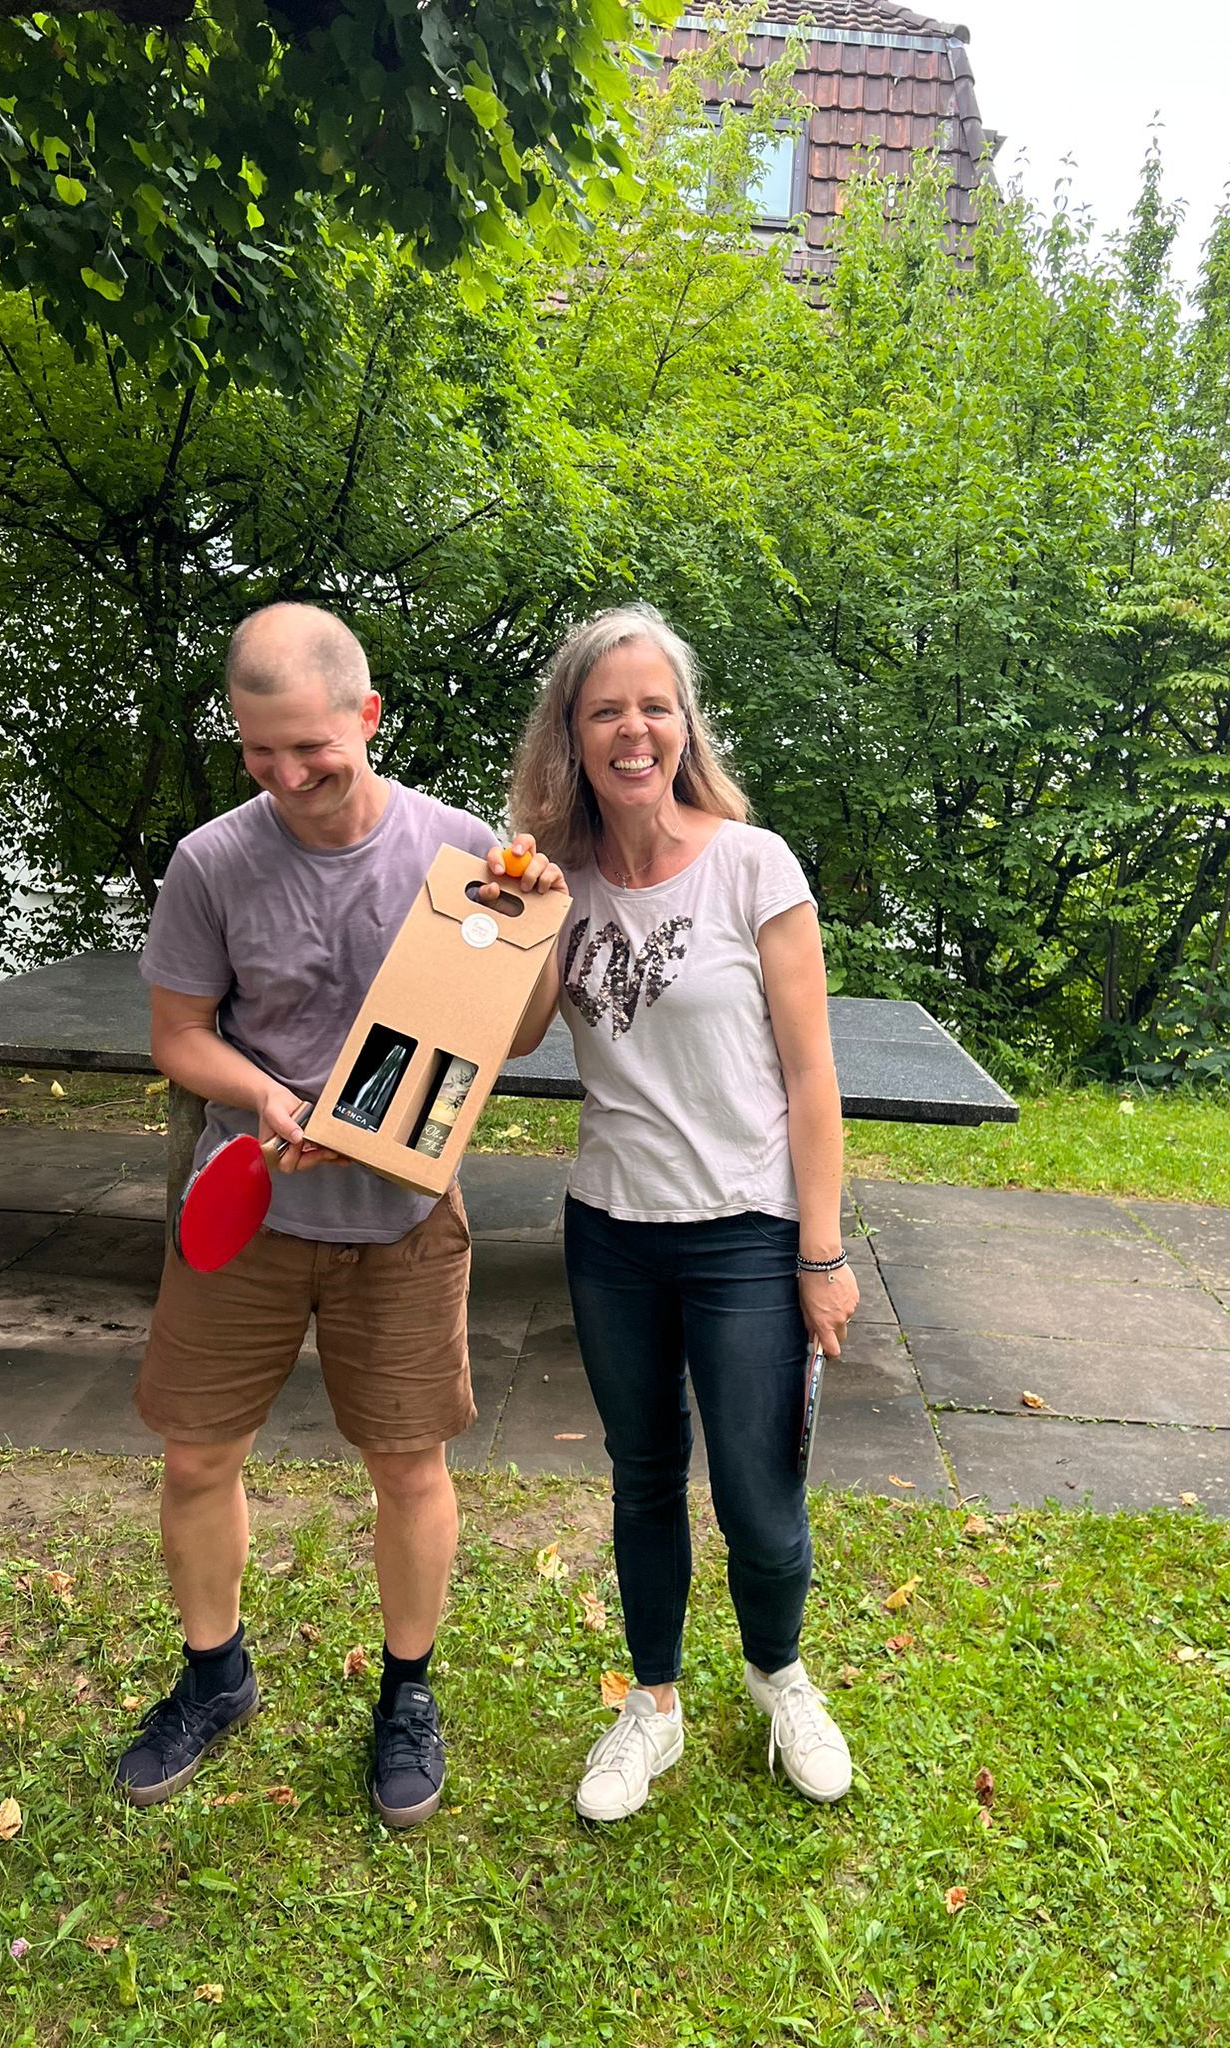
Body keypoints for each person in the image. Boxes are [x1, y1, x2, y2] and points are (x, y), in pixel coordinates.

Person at [117, 602, 564, 1826]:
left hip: (404, 1218)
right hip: (249, 1211)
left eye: (311, 745)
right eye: (258, 751)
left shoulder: (460, 848)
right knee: (197, 1455)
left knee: (408, 1465)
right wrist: (267, 1095)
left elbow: (514, 1035)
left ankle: (407, 1693)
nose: (285, 774)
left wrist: (541, 926)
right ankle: (215, 1673)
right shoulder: (212, 860)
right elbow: (178, 1035)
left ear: (367, 715)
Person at [509, 604, 861, 1822]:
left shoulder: (754, 866)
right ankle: (651, 1702)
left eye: (654, 705)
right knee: (645, 1474)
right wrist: (522, 914)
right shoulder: (561, 884)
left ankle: (781, 1676)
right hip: (611, 1230)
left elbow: (813, 1076)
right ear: (573, 733)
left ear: (685, 723)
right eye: (606, 709)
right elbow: (513, 1034)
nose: (633, 728)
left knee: (759, 1494)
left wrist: (821, 1249)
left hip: (747, 1230)